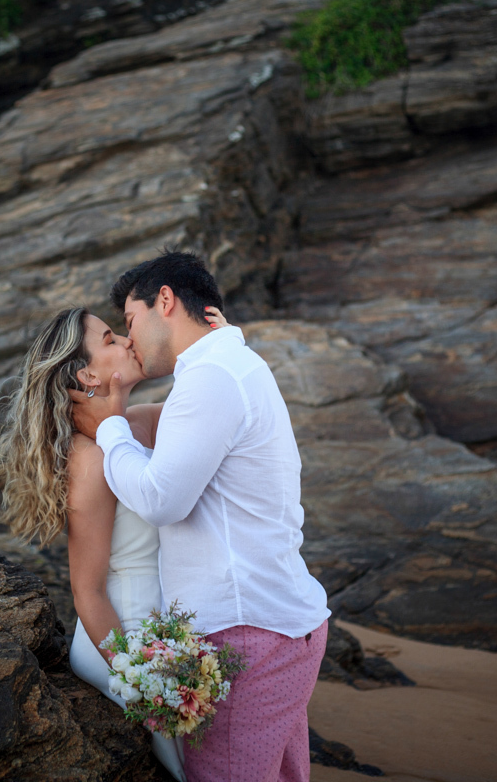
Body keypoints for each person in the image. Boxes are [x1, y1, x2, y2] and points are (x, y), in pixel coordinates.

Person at [69, 251, 333, 782]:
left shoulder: (211, 376)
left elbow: (162, 499)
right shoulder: (224, 369)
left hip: (248, 631)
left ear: (164, 301)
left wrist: (110, 425)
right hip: (272, 624)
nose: (129, 339)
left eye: (129, 320)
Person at [0, 303, 229, 781]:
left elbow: (209, 403)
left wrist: (214, 341)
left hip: (164, 627)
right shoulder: (90, 461)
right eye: (109, 340)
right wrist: (139, 678)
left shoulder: (135, 424)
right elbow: (87, 591)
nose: (125, 342)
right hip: (123, 636)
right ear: (87, 375)